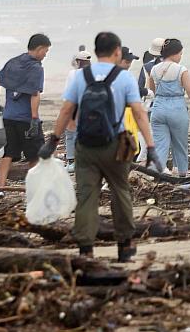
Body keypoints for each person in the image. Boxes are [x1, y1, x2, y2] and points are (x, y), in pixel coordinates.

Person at [39, 32, 156, 262]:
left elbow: (66, 111)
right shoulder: (124, 78)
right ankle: (124, 246)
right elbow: (139, 113)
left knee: (87, 196)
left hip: (86, 144)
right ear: (117, 52)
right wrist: (150, 146)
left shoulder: (80, 77)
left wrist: (53, 140)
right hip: (119, 143)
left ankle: (85, 248)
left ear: (96, 51)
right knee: (120, 191)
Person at [0, 34, 50, 197]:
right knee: (34, 155)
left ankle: (1, 188)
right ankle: (32, 188)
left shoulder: (12, 62)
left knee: (8, 153)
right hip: (26, 118)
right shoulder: (36, 68)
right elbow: (34, 94)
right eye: (46, 51)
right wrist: (34, 118)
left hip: (8, 117)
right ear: (39, 49)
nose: (46, 54)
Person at [148, 39, 190, 176]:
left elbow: (152, 90)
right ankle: (182, 172)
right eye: (180, 54)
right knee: (180, 143)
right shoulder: (181, 69)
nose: (180, 57)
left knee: (160, 144)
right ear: (174, 53)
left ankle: (158, 172)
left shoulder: (154, 69)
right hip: (177, 109)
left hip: (158, 109)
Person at [64, 50, 92, 173]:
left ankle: (71, 161)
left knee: (70, 133)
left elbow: (68, 92)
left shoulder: (73, 73)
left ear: (79, 61)